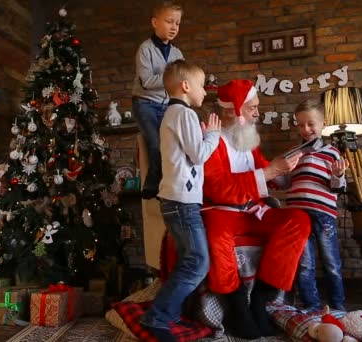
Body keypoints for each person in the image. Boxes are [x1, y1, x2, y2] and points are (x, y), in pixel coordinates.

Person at [202, 80, 311, 339]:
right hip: (221, 210)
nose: (257, 113)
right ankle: (238, 305)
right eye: (252, 108)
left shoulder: (248, 140)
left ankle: (261, 298)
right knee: (216, 236)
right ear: (234, 110)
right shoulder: (210, 139)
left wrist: (289, 166)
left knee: (298, 219)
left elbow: (270, 176)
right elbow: (217, 187)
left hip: (252, 210)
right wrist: (271, 170)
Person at [140, 60, 221, 341]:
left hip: (176, 199)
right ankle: (158, 316)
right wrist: (212, 136)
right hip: (182, 202)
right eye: (201, 86)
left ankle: (168, 311)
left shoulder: (174, 114)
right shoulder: (182, 113)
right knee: (198, 261)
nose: (204, 92)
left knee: (190, 259)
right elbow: (199, 154)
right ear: (186, 86)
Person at [288, 99, 349, 312]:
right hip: (297, 215)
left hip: (323, 214)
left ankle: (338, 306)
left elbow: (337, 188)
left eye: (311, 124)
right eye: (300, 124)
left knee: (331, 263)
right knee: (304, 263)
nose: (305, 129)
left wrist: (337, 175)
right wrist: (272, 173)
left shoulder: (332, 153)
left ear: (323, 124)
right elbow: (286, 181)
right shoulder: (294, 152)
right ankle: (311, 306)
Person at [132, 1, 184, 199]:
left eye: (177, 23)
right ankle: (152, 183)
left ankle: (171, 183)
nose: (174, 27)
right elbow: (146, 82)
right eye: (169, 21)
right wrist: (172, 78)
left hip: (166, 105)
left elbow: (180, 82)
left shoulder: (178, 53)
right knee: (155, 144)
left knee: (172, 145)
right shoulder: (145, 49)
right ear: (155, 22)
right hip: (144, 103)